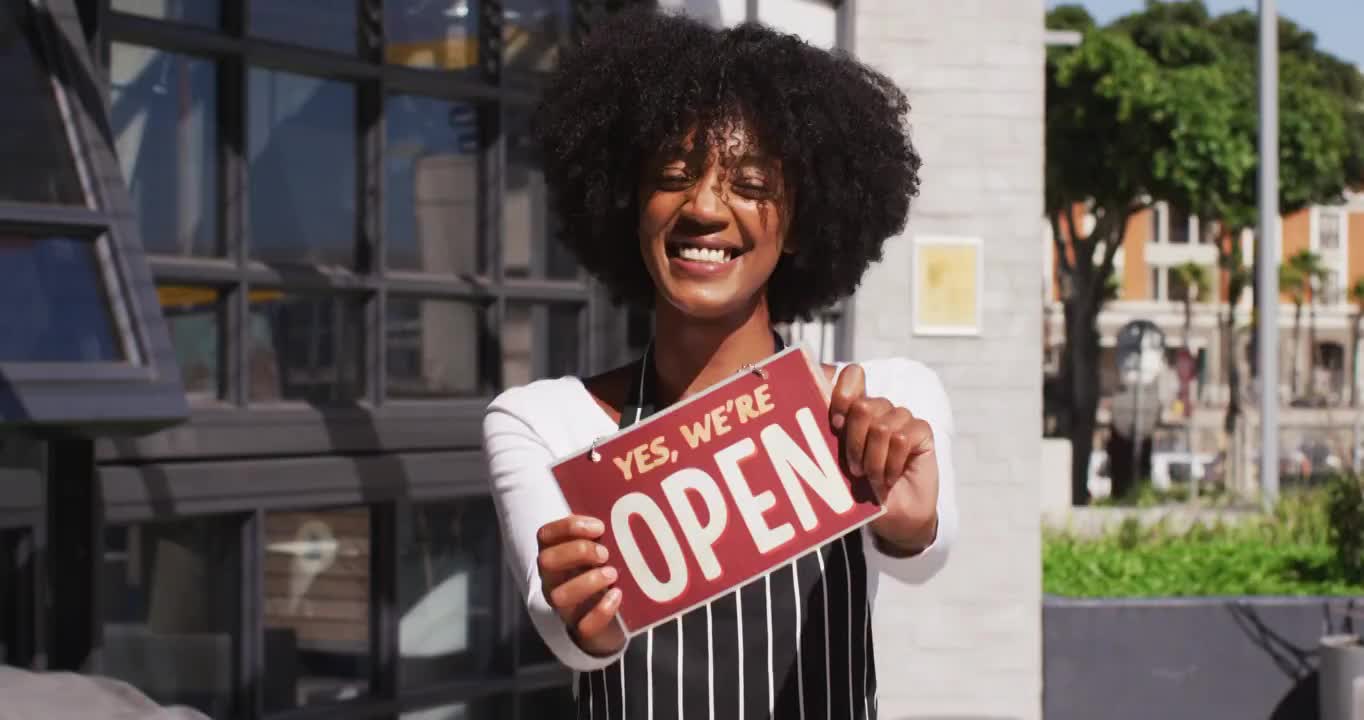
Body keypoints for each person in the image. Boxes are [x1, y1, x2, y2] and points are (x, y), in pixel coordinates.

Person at [482, 8, 958, 719]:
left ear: (799, 222)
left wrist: (907, 518)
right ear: (628, 203)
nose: (704, 206)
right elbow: (570, 635)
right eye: (673, 175)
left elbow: (926, 546)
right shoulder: (543, 422)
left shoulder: (881, 403)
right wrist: (583, 616)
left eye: (752, 183)